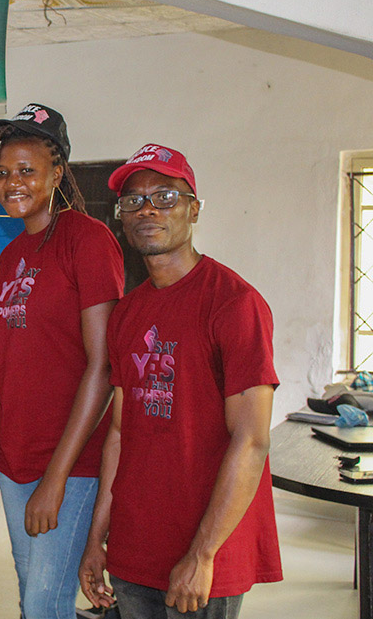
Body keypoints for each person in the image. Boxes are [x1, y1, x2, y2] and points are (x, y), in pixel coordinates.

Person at [78, 144, 282, 618]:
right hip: (134, 548)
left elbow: (251, 441)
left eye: (165, 196)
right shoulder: (128, 312)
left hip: (204, 549)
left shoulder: (235, 304)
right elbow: (119, 433)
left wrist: (203, 554)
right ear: (120, 219)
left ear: (194, 209)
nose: (147, 208)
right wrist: (95, 540)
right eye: (133, 200)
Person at [0, 104, 124, 619]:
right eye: (2, 171)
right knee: (35, 598)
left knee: (45, 604)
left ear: (57, 172)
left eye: (26, 170)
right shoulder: (10, 255)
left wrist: (57, 476)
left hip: (68, 462)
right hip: (16, 459)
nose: (11, 182)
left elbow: (102, 366)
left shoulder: (87, 240)